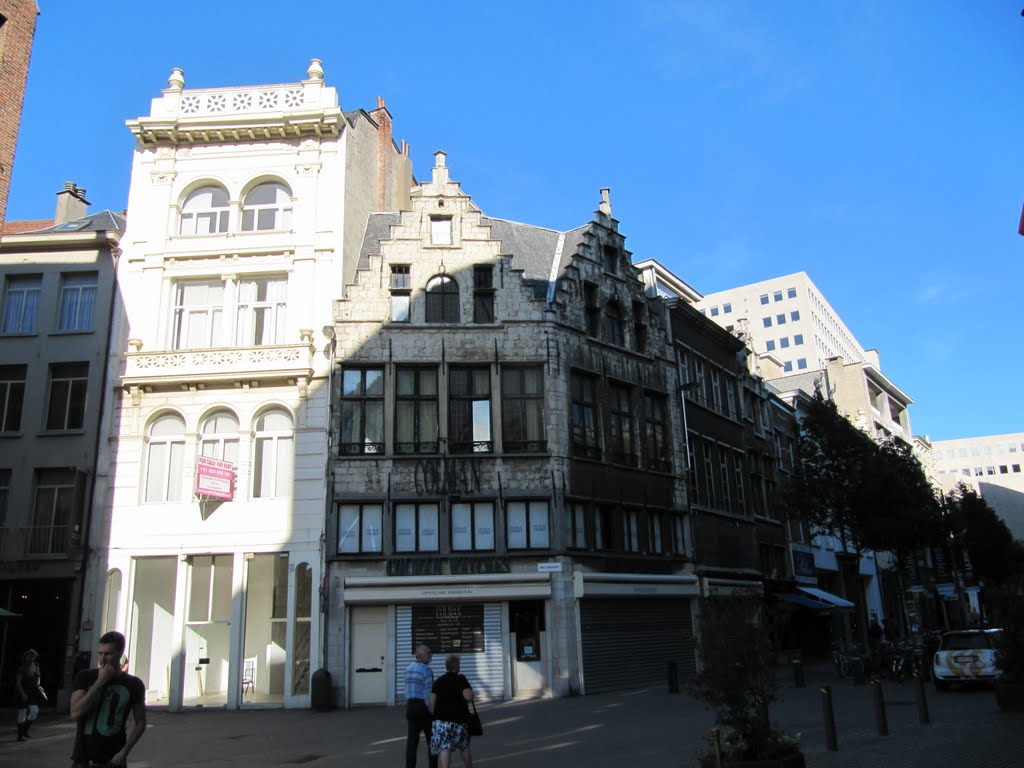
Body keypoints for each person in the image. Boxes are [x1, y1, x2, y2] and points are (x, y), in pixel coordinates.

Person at [69, 631, 147, 768]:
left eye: (108, 654)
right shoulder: (85, 677)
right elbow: (75, 713)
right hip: (84, 759)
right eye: (100, 653)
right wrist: (99, 682)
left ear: (120, 653)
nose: (102, 659)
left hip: (113, 759)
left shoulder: (134, 684)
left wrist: (124, 752)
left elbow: (140, 722)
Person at [429, 654, 474, 768]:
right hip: (459, 721)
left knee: (444, 748)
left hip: (441, 722)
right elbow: (468, 696)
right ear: (457, 666)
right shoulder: (461, 678)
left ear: (446, 666)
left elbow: (432, 704)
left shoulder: (438, 681)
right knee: (464, 746)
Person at [405, 644, 438, 768]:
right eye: (428, 653)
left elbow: (408, 689)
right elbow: (428, 694)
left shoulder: (409, 668)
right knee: (432, 740)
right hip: (423, 707)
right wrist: (432, 712)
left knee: (412, 741)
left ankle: (409, 766)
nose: (431, 655)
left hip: (411, 706)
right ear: (420, 656)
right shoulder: (426, 670)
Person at [15, 648, 47, 742]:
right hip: (23, 691)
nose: (31, 657)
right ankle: (19, 736)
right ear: (25, 657)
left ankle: (25, 730)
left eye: (33, 656)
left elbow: (38, 677)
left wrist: (38, 686)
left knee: (34, 711)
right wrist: (22, 694)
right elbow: (18, 683)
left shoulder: (36, 666)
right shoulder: (22, 668)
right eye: (29, 656)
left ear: (35, 657)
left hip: (33, 692)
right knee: (22, 713)